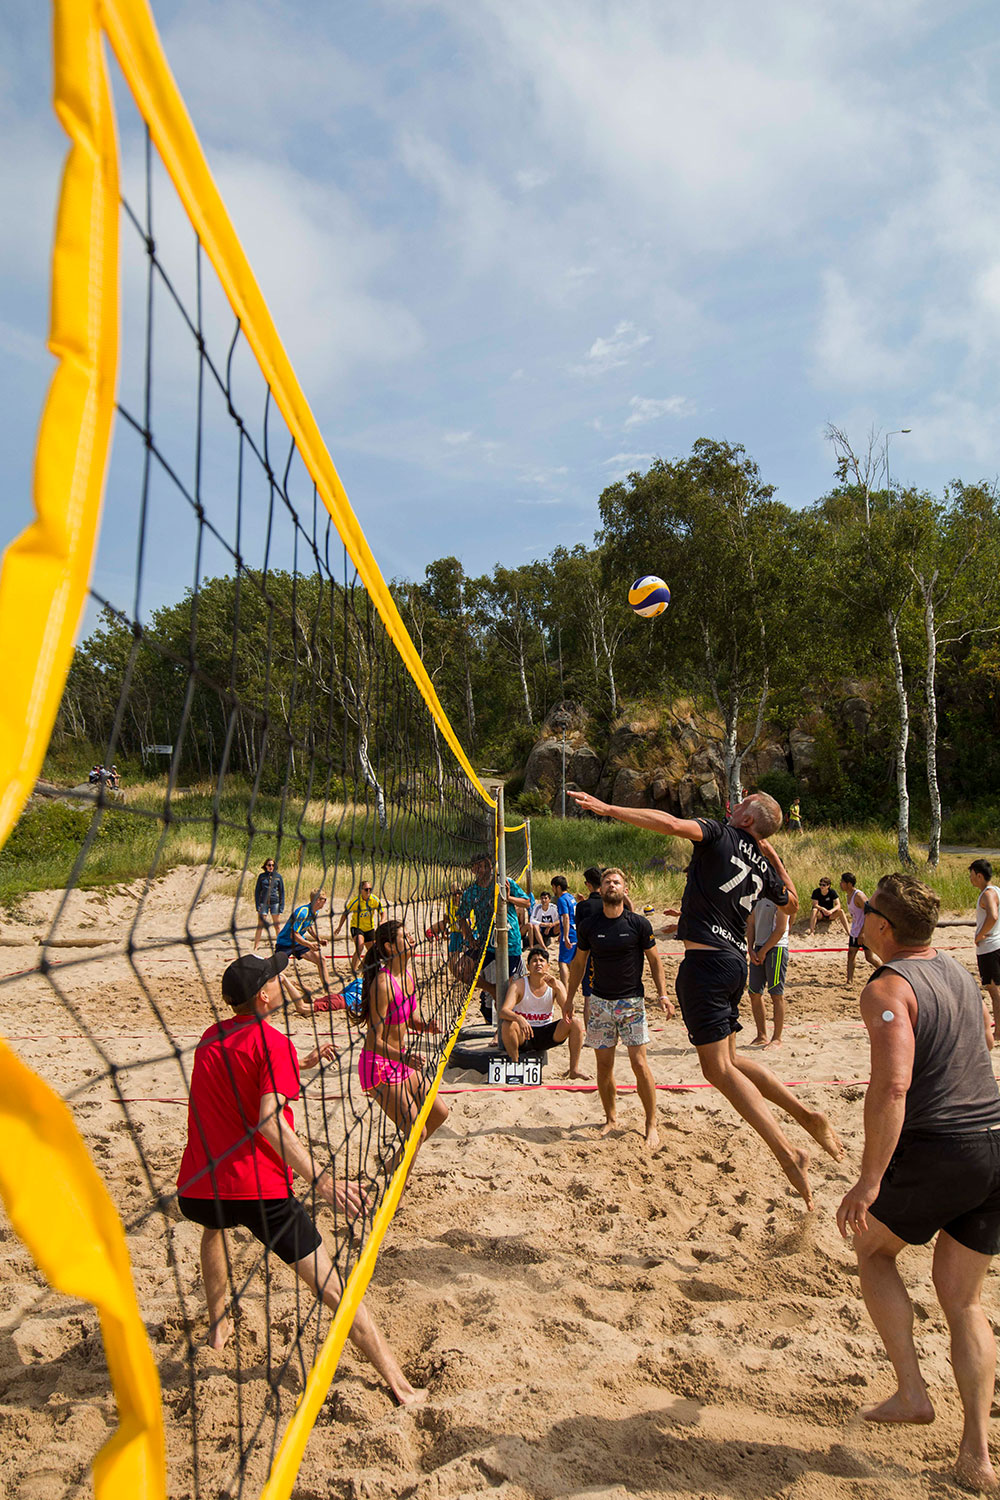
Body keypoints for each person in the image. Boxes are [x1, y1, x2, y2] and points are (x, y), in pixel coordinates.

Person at [568, 788, 842, 1208]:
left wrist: (607, 809)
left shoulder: (719, 833)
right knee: (732, 1062)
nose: (735, 806)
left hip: (706, 966)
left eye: (744, 803)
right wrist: (773, 856)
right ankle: (807, 1116)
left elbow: (669, 823)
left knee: (717, 1070)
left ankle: (789, 1154)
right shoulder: (761, 863)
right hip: (733, 965)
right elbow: (791, 903)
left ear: (748, 819)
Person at [175, 951, 422, 1404]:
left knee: (214, 1230)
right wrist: (322, 1181)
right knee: (333, 1287)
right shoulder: (273, 1043)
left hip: (197, 1186)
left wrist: (299, 1064)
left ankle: (218, 1325)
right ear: (265, 995)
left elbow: (240, 1079)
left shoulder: (209, 1039)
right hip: (259, 1192)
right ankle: (397, 1382)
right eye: (273, 977)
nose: (278, 980)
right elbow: (269, 1121)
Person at [837, 874, 1000, 1494]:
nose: (861, 919)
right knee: (964, 1301)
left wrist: (869, 1179)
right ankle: (978, 1456)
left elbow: (893, 1086)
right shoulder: (959, 970)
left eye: (866, 912)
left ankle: (911, 1391)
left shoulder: (887, 985)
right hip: (993, 1139)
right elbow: (982, 1041)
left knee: (874, 1250)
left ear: (883, 926)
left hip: (941, 1145)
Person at [565, 867, 673, 1148]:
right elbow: (578, 964)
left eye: (616, 882)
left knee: (639, 1063)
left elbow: (655, 962)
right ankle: (611, 1118)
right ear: (600, 890)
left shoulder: (638, 924)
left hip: (631, 1002)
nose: (611, 885)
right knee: (604, 1065)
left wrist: (663, 994)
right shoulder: (590, 925)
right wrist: (568, 998)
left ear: (625, 890)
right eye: (607, 882)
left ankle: (651, 1122)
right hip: (600, 1002)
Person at [358, 920, 448, 1184]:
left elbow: (408, 1017)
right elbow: (373, 1041)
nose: (412, 939)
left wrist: (424, 1025)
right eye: (405, 936)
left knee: (439, 1113)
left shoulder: (407, 975)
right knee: (415, 1131)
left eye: (410, 935)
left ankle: (395, 1162)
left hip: (401, 1060)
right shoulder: (383, 984)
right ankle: (396, 1188)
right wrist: (404, 1056)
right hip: (378, 1065)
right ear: (389, 946)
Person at [499, 945, 586, 1078]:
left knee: (576, 1023)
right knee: (507, 1024)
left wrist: (557, 987)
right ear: (528, 967)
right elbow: (504, 1011)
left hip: (546, 1032)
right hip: (525, 1033)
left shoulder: (555, 984)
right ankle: (514, 1065)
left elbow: (568, 1012)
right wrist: (519, 1018)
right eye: (534, 961)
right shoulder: (519, 984)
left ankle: (573, 1070)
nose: (538, 963)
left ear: (548, 966)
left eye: (541, 961)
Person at [457, 854, 530, 1008]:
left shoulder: (505, 883)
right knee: (461, 970)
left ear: (491, 867)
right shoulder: (470, 892)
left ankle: (502, 1022)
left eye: (486, 865)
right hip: (486, 943)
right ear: (473, 869)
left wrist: (509, 898)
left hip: (509, 942)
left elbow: (527, 902)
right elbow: (461, 917)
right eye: (479, 866)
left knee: (507, 994)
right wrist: (470, 939)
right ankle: (491, 990)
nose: (483, 869)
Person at [746, 893, 790, 1048]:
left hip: (776, 948)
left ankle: (777, 1038)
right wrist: (750, 948)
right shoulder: (755, 894)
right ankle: (761, 1035)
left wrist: (764, 950)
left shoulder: (782, 896)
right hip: (758, 947)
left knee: (776, 994)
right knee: (754, 993)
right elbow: (750, 923)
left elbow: (780, 929)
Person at [276, 889, 333, 996]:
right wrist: (310, 945)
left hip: (298, 943)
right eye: (324, 900)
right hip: (284, 943)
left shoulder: (315, 912)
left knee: (321, 960)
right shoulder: (303, 912)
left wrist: (318, 939)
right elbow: (293, 935)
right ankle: (297, 985)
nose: (325, 902)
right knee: (276, 973)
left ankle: (328, 992)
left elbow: (309, 926)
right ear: (317, 900)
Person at [970, 859, 1000, 1036]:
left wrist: (980, 935)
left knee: (994, 991)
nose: (970, 878)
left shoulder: (988, 894)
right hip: (996, 944)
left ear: (979, 875)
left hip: (990, 948)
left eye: (971, 875)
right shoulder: (996, 890)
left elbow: (993, 916)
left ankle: (998, 1033)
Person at [334, 879, 384, 977]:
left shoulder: (375, 900)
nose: (368, 891)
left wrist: (382, 920)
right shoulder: (356, 901)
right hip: (356, 927)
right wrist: (339, 927)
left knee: (373, 950)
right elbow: (345, 914)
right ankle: (353, 971)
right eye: (366, 889)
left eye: (370, 889)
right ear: (361, 890)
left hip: (369, 928)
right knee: (360, 946)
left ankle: (362, 966)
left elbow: (382, 912)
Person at [841, 872, 879, 985]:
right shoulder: (849, 895)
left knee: (869, 957)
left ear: (849, 883)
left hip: (864, 930)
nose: (840, 884)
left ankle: (885, 971)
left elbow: (869, 912)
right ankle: (849, 981)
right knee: (851, 954)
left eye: (842, 882)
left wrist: (863, 933)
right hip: (855, 930)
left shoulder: (858, 896)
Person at [253, 858, 285, 951]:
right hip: (263, 903)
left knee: (277, 925)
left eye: (272, 865)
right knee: (260, 925)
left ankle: (280, 945)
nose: (271, 867)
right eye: (269, 865)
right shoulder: (261, 877)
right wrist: (257, 905)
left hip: (275, 902)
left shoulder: (278, 877)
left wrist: (282, 906)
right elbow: (257, 892)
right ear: (265, 866)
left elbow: (282, 892)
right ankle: (256, 946)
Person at [551, 874, 577, 987]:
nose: (552, 890)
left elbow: (566, 917)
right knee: (571, 961)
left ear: (558, 887)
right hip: (575, 931)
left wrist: (565, 935)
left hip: (570, 932)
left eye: (553, 887)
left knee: (562, 962)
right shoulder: (571, 897)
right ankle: (573, 984)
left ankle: (565, 988)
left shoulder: (561, 899)